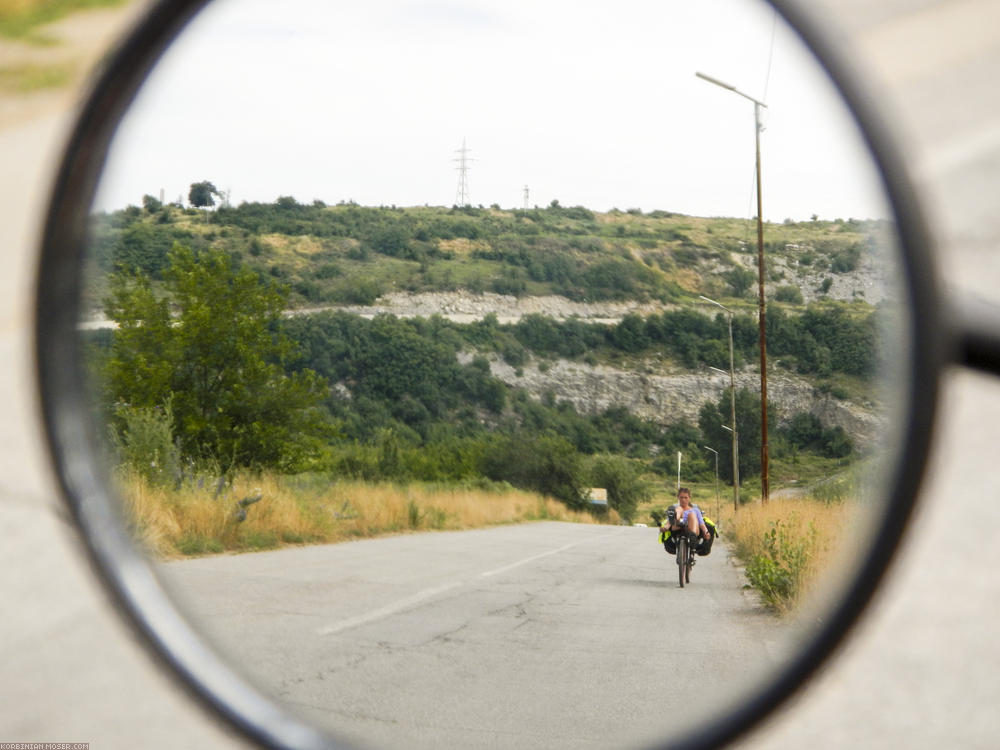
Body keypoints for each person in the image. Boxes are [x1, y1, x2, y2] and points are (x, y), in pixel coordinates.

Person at [661, 487, 713, 552]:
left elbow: (701, 524)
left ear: (689, 498)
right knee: (678, 510)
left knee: (691, 514)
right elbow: (670, 520)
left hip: (693, 529)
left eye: (685, 498)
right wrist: (665, 527)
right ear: (678, 497)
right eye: (681, 497)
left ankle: (692, 538)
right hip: (678, 527)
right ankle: (673, 525)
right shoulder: (676, 508)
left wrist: (706, 532)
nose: (683, 500)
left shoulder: (695, 510)